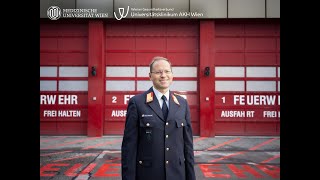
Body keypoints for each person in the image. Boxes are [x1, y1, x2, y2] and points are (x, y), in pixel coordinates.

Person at [121, 56, 196, 180]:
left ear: (172, 75)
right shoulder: (137, 103)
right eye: (158, 72)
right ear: (150, 76)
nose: (163, 75)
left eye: (167, 71)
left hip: (177, 174)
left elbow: (188, 146)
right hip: (148, 174)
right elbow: (129, 147)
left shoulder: (182, 103)